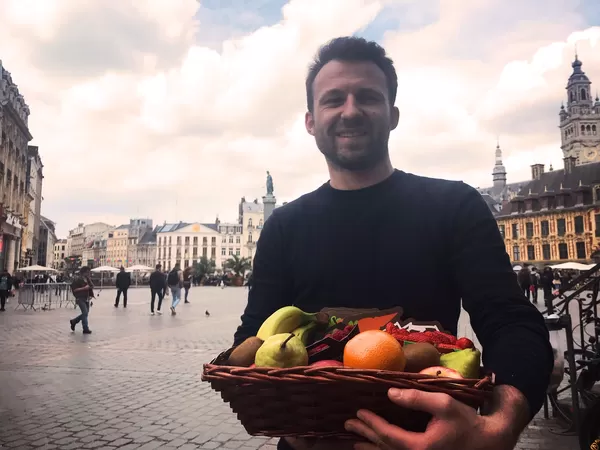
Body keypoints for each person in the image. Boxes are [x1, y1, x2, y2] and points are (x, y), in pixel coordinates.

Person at [233, 36, 553, 450]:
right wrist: (268, 401)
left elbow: (511, 322)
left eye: (367, 96)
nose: (350, 110)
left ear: (393, 114)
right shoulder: (284, 226)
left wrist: (501, 425)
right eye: (333, 100)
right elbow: (253, 335)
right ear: (311, 120)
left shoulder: (453, 207)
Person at [70, 266, 93, 334]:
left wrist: (90, 286)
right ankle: (85, 328)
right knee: (85, 312)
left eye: (89, 272)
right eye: (87, 272)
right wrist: (84, 288)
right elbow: (74, 289)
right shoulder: (77, 279)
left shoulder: (87, 279)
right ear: (83, 272)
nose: (89, 273)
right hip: (80, 298)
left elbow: (92, 286)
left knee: (85, 313)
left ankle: (74, 321)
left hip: (87, 298)